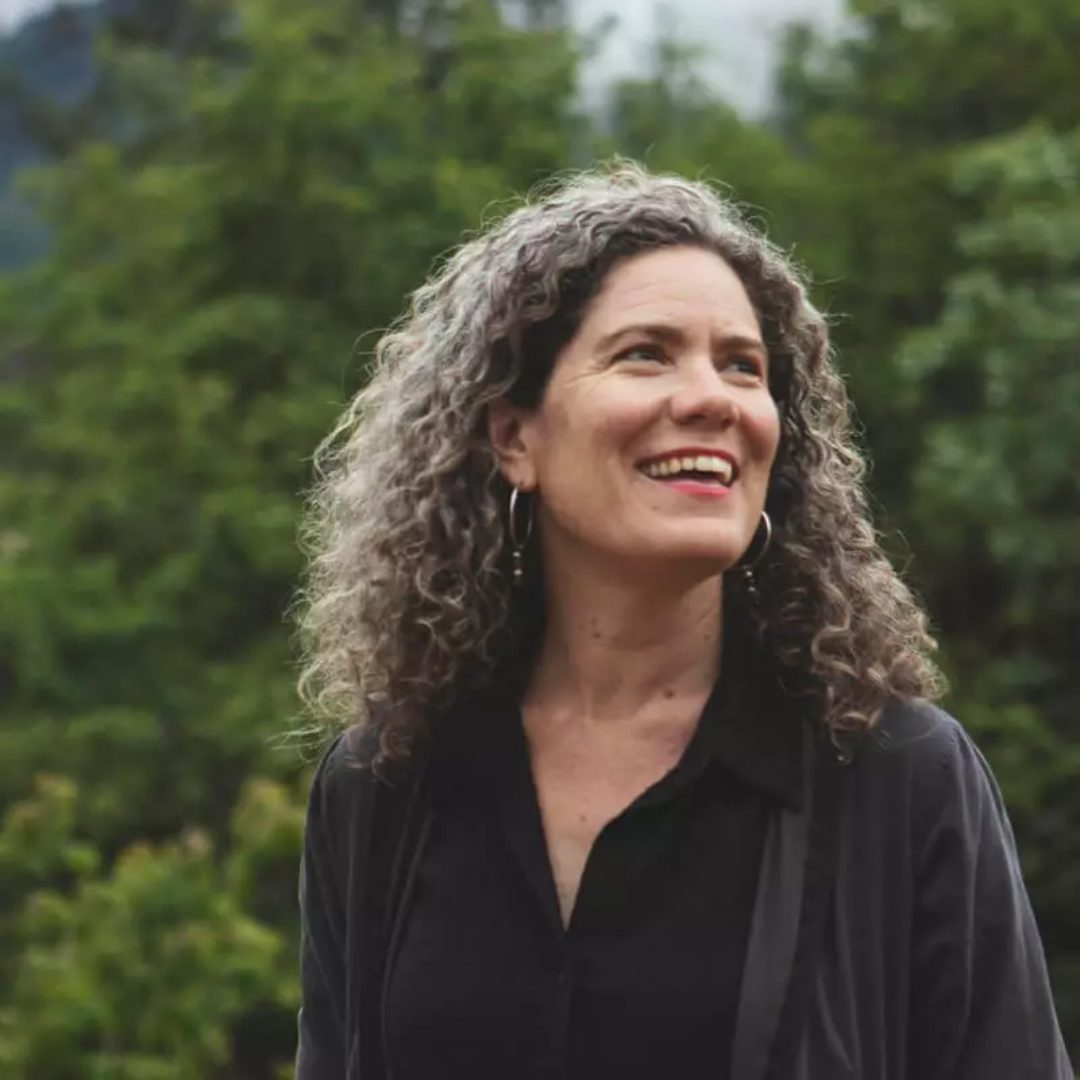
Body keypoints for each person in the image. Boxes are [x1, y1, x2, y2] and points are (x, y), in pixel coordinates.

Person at [291, 163, 1072, 1080]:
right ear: (514, 438)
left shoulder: (895, 775)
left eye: (744, 366)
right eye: (646, 353)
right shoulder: (385, 784)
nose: (714, 398)